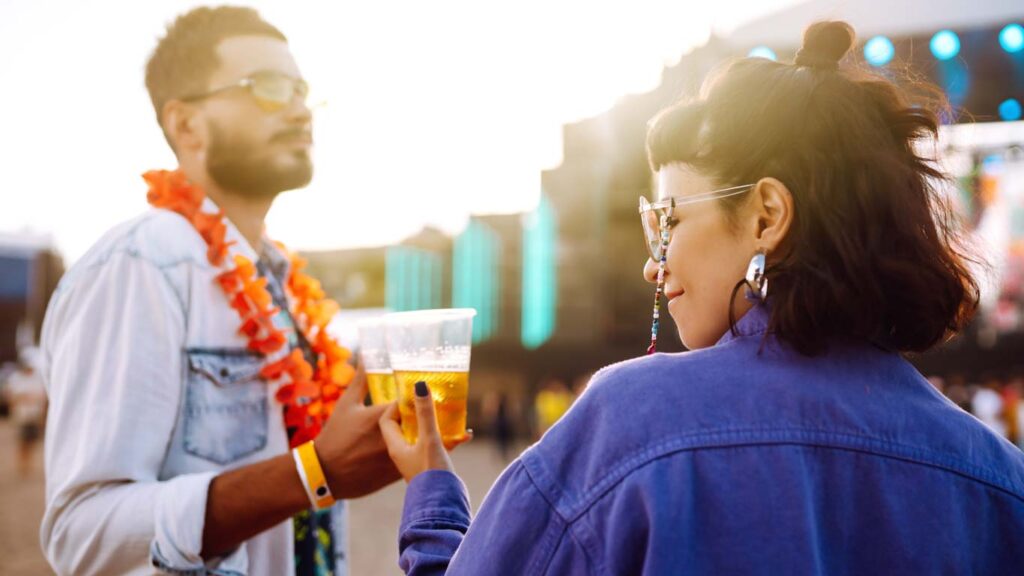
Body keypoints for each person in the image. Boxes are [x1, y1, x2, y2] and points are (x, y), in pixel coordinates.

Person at [377, 21, 1024, 574]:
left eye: (668, 220)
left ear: (768, 215)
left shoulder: (634, 424)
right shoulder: (1000, 481)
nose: (650, 266)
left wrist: (431, 491)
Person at [39, 7, 398, 575]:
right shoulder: (142, 266)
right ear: (186, 126)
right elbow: (83, 535)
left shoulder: (278, 280)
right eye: (270, 87)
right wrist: (313, 474)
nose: (301, 108)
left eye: (302, 90)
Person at [5, 348, 47, 477]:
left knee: (31, 441)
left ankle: (27, 464)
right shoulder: (16, 378)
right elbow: (11, 396)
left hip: (34, 415)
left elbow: (42, 397)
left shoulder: (37, 378)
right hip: (22, 415)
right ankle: (22, 465)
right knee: (23, 441)